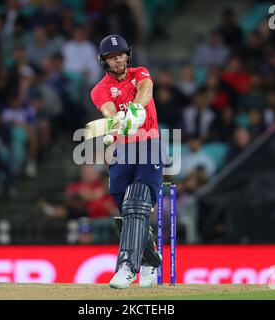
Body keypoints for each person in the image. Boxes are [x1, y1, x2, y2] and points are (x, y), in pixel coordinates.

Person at [90, 35, 162, 289]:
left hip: (149, 145)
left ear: (128, 55)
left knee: (137, 203)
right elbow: (108, 110)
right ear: (104, 61)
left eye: (120, 54)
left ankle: (127, 268)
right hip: (122, 150)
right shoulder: (99, 89)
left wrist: (134, 111)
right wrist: (118, 120)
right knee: (126, 205)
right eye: (112, 57)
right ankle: (151, 258)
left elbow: (146, 91)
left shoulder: (140, 73)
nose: (118, 60)